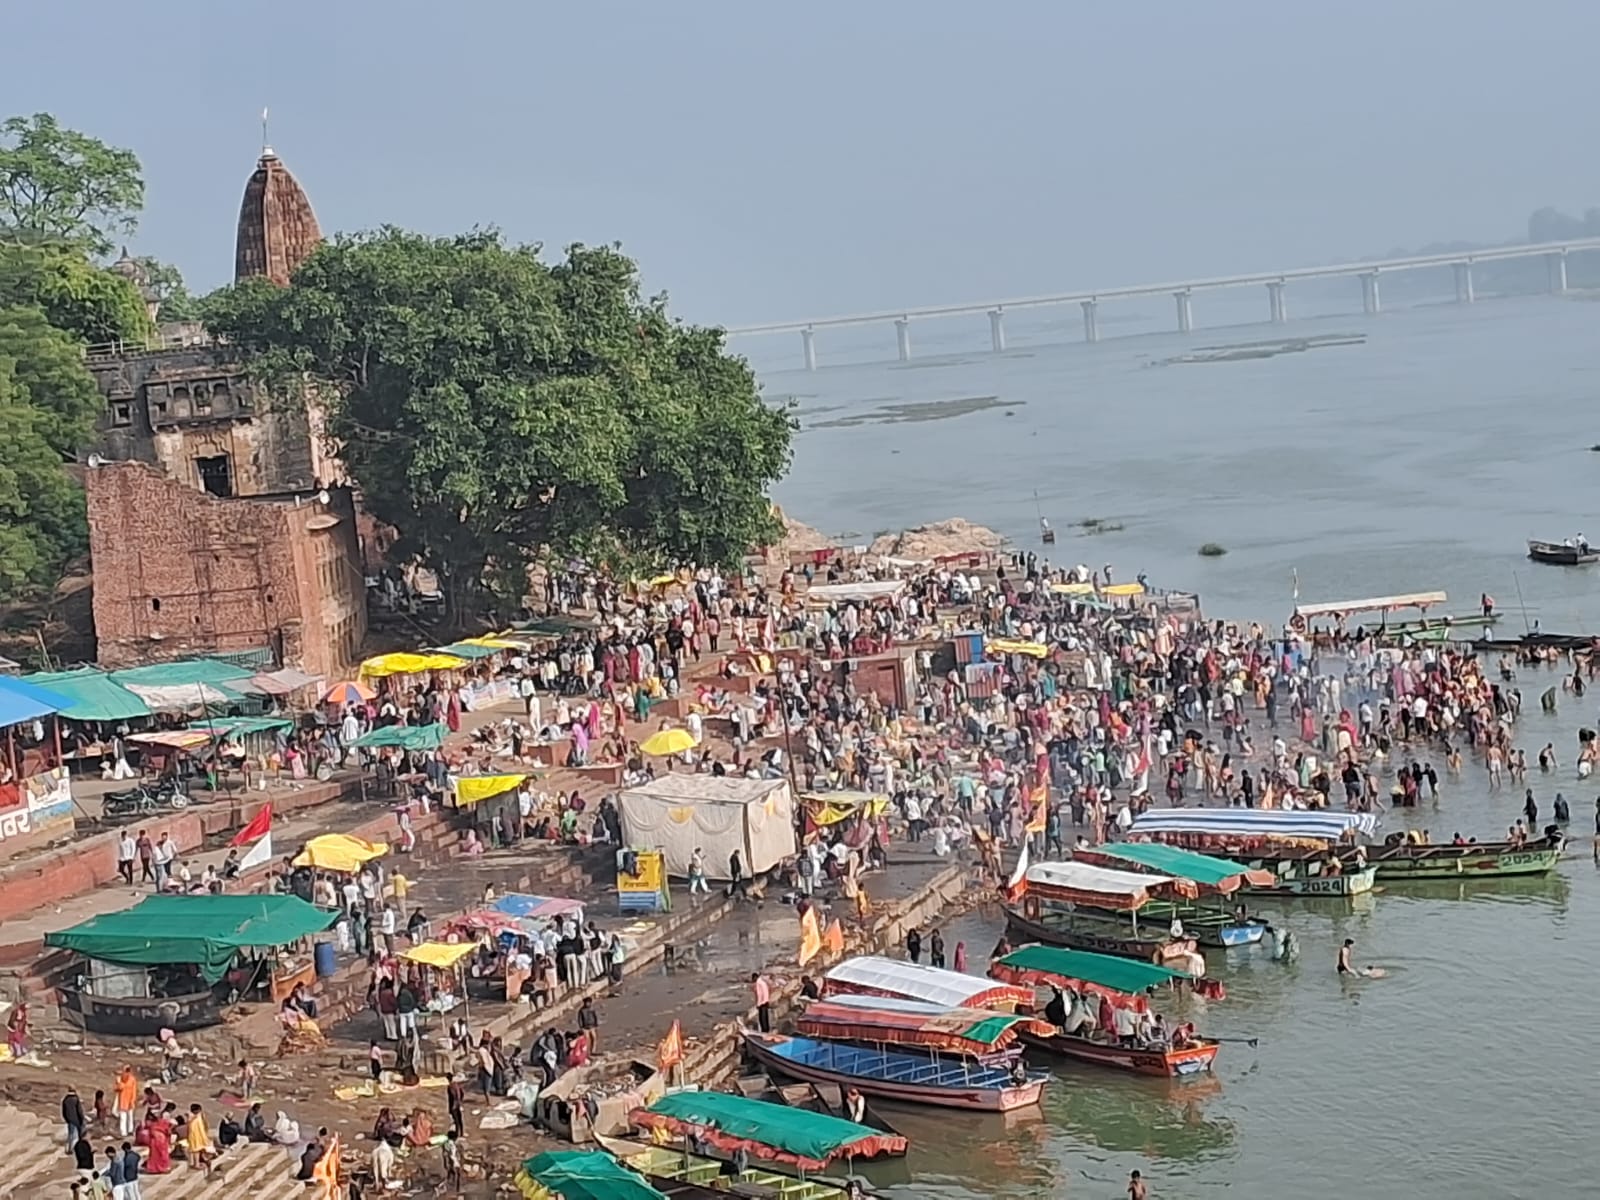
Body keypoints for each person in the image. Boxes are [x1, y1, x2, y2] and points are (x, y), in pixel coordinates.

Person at [63, 1085, 86, 1153]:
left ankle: (70, 1149)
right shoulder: (76, 1099)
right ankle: (80, 1148)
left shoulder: (65, 1100)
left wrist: (66, 1119)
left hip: (70, 1120)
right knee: (80, 1135)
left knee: (71, 1135)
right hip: (77, 1119)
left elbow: (63, 1111)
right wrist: (82, 1119)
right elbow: (79, 1110)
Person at [441, 1129, 463, 1193]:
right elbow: (447, 1154)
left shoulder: (446, 1143)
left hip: (452, 1161)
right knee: (456, 1174)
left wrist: (445, 1162)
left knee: (452, 1174)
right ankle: (456, 1189)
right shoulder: (449, 1144)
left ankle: (452, 1188)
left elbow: (445, 1154)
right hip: (453, 1161)